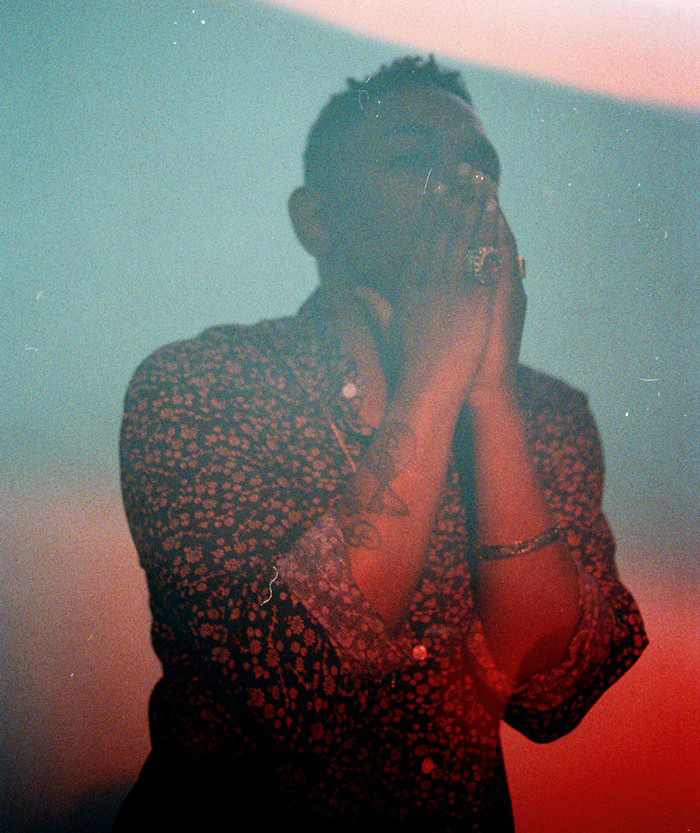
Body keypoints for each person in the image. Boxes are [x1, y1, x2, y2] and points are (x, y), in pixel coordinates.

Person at [114, 56, 647, 832]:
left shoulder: (550, 415)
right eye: (411, 160)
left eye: (480, 168)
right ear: (318, 220)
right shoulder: (204, 381)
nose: (463, 191)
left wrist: (491, 398)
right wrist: (433, 380)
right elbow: (294, 684)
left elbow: (554, 692)